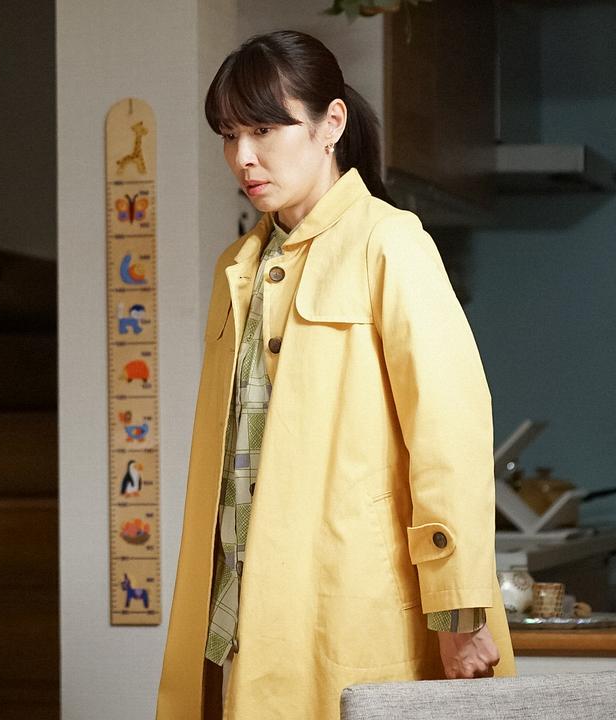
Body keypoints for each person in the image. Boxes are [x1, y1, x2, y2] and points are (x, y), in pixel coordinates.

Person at [156, 31, 514, 719]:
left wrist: (460, 610)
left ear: (332, 124)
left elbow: (449, 435)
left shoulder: (390, 242)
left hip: (348, 609)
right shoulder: (237, 266)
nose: (243, 156)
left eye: (264, 129)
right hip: (235, 620)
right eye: (229, 135)